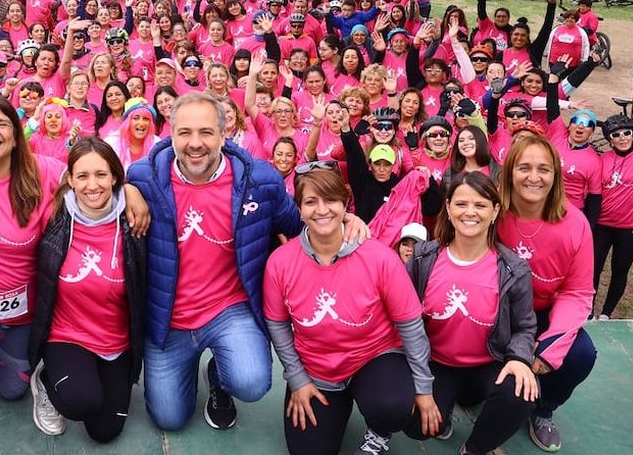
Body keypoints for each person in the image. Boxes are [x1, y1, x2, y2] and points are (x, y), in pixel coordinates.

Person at [126, 93, 366, 432]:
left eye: (206, 132)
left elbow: (299, 224)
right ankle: (184, 371)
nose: (196, 143)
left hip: (230, 309)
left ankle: (219, 378)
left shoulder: (260, 181)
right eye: (185, 133)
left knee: (252, 382)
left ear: (225, 135)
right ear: (171, 134)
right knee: (168, 418)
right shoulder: (142, 177)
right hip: (168, 319)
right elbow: (88, 185)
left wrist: (345, 223)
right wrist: (127, 189)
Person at [262, 165, 438, 455]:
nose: (322, 210)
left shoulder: (379, 257)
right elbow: (278, 324)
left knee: (394, 406)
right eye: (310, 202)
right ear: (299, 208)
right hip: (318, 370)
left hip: (373, 357)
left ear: (345, 203)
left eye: (330, 199)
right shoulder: (280, 262)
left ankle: (379, 434)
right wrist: (297, 380)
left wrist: (423, 387)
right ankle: (336, 408)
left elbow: (409, 324)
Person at [405, 172, 538, 455]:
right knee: (413, 421)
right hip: (435, 365)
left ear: (494, 211)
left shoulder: (513, 269)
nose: (470, 212)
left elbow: (525, 326)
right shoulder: (422, 258)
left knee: (521, 391)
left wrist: (519, 359)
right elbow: (401, 317)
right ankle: (444, 409)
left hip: (486, 365)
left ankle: (475, 448)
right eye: (461, 204)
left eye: (480, 205)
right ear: (449, 208)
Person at [28, 138, 146, 442]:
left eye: (101, 174)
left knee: (104, 432)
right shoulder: (54, 216)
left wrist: (132, 191)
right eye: (82, 176)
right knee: (81, 402)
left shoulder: (134, 221)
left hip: (115, 341)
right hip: (68, 335)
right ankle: (45, 378)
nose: (92, 185)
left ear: (116, 177)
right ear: (70, 179)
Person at [497, 135, 596, 452]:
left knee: (581, 354)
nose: (534, 177)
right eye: (524, 167)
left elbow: (578, 292)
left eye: (544, 168)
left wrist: (549, 349)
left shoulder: (576, 223)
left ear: (556, 175)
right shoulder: (494, 212)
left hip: (545, 314)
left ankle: (543, 409)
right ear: (510, 171)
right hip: (498, 310)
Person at [593, 114, 633, 320]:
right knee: (593, 270)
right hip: (602, 226)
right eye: (616, 135)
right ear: (609, 139)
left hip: (632, 228)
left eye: (627, 133)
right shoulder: (602, 159)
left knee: (619, 271)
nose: (622, 138)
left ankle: (606, 312)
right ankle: (587, 311)